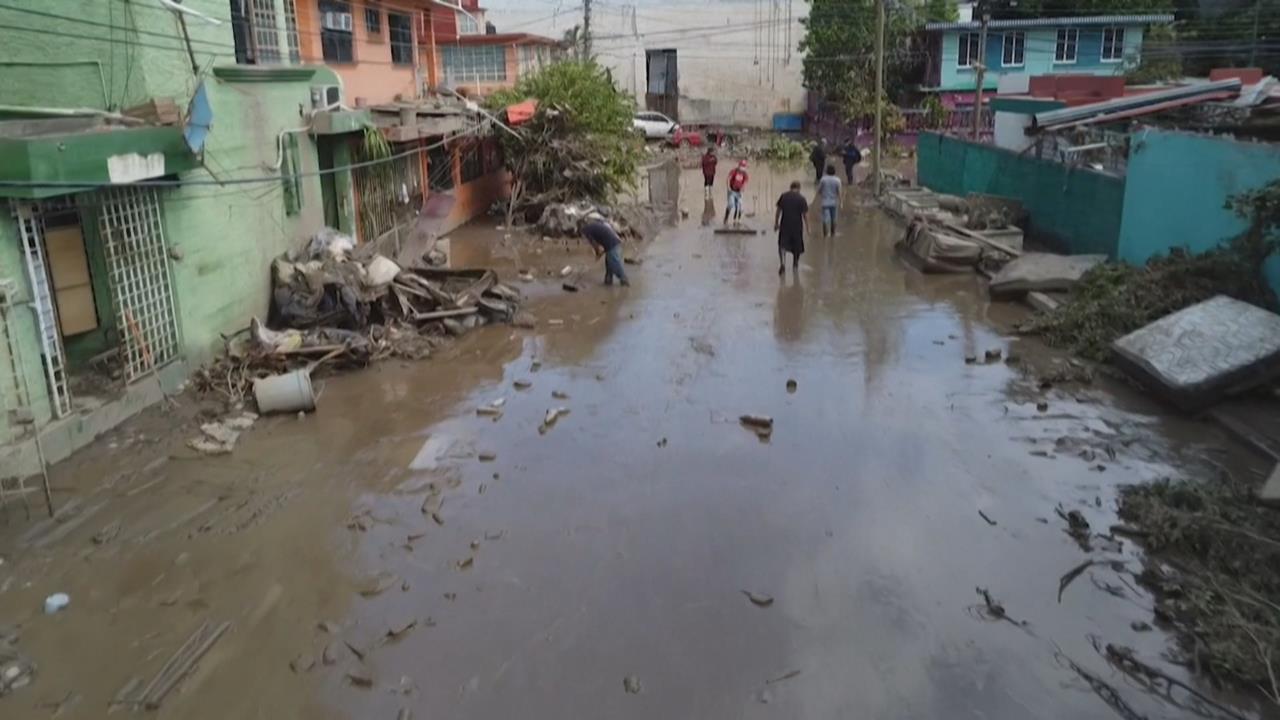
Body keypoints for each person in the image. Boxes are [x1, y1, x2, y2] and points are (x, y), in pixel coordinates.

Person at [580, 213, 630, 287]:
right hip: (614, 243)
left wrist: (597, 253)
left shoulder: (586, 230)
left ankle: (624, 281)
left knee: (614, 264)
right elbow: (601, 239)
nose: (582, 236)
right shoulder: (592, 226)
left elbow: (594, 244)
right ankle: (608, 282)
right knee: (609, 264)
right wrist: (599, 252)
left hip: (612, 245)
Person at [775, 180, 810, 275]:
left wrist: (776, 223)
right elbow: (805, 215)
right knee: (797, 246)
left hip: (785, 224)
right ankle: (795, 264)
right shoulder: (801, 198)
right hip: (797, 226)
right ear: (799, 188)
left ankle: (783, 263)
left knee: (782, 244)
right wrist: (808, 227)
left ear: (791, 187)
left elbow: (778, 211)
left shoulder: (784, 196)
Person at [815, 165, 843, 237]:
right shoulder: (837, 180)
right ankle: (833, 234)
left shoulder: (823, 179)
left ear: (827, 171)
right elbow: (839, 192)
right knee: (834, 218)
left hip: (825, 202)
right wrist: (841, 202)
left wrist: (817, 200)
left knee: (825, 218)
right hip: (834, 202)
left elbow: (819, 190)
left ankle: (825, 234)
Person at [724, 160, 749, 226]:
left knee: (740, 205)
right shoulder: (734, 171)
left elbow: (745, 182)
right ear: (739, 165)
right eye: (742, 166)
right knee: (731, 204)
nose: (743, 168)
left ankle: (737, 220)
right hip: (732, 190)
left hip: (739, 191)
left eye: (744, 167)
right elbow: (728, 179)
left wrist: (743, 188)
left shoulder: (745, 174)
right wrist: (728, 187)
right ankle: (726, 218)